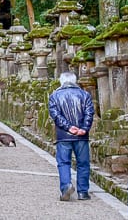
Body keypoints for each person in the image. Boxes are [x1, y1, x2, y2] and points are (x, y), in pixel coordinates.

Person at [48, 71, 95, 201]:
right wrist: (84, 128)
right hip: (81, 135)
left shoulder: (54, 96)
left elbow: (56, 116)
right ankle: (83, 192)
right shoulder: (84, 95)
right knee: (83, 163)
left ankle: (66, 186)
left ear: (61, 81)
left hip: (64, 135)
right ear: (75, 81)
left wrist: (69, 127)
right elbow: (89, 113)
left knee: (63, 162)